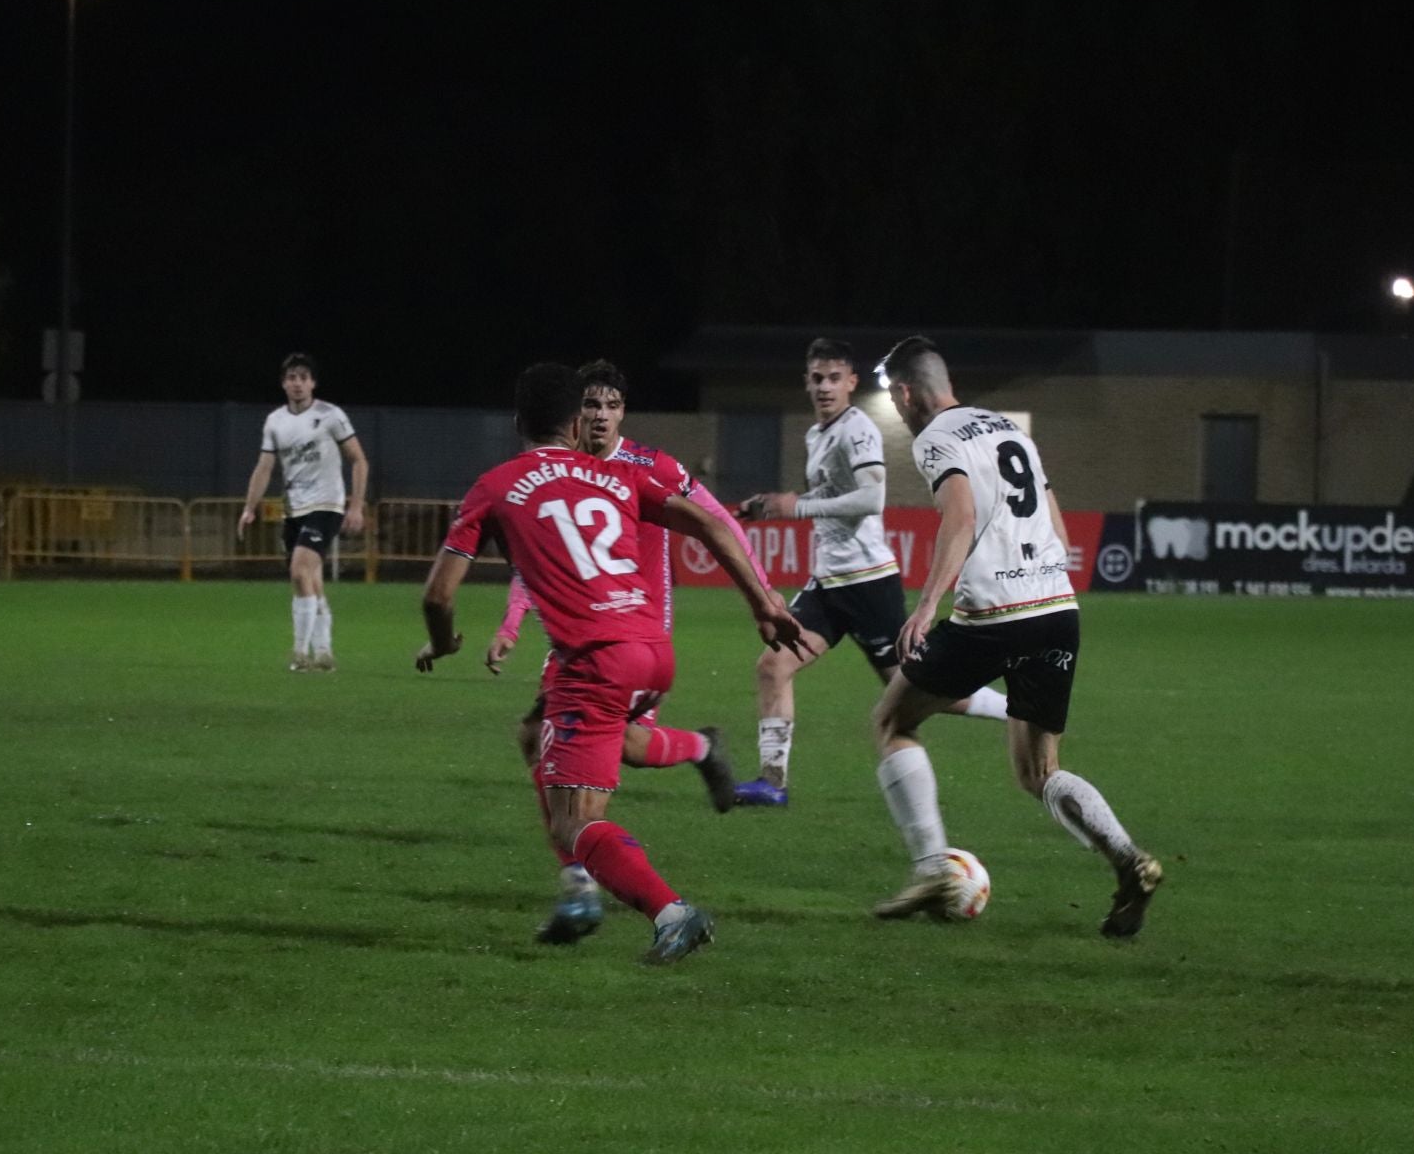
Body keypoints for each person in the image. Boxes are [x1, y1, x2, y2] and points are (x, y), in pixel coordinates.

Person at [416, 363, 802, 965]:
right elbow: (707, 521)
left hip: (596, 660)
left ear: (518, 422)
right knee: (559, 741)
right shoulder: (616, 477)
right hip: (654, 650)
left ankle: (661, 910)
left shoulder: (494, 486)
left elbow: (438, 596)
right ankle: (695, 756)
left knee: (576, 825)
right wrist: (763, 601)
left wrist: (441, 644)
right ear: (575, 421)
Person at [869, 335, 1162, 938]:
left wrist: (927, 606)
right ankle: (1128, 858)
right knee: (1039, 770)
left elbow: (961, 514)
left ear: (904, 392)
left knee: (893, 721)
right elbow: (1052, 515)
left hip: (994, 613)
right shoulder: (1007, 428)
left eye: (894, 398)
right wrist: (1047, 577)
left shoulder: (936, 438)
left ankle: (932, 867)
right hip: (1055, 605)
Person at [487, 360, 775, 820]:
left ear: (623, 413)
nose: (601, 414)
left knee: (570, 750)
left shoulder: (651, 466)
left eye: (613, 405)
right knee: (608, 743)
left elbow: (717, 522)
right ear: (573, 414)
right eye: (591, 404)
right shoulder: (555, 472)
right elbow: (535, 561)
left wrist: (763, 591)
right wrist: (511, 623)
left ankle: (581, 871)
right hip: (581, 632)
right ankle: (702, 747)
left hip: (638, 634)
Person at [733, 337, 1008, 807]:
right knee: (773, 665)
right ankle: (772, 782)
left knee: (919, 689)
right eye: (817, 378)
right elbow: (826, 499)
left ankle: (1015, 707)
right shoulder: (816, 436)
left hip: (868, 584)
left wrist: (794, 506)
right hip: (829, 585)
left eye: (834, 378)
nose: (824, 387)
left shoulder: (858, 428)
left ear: (851, 383)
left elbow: (870, 499)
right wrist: (775, 505)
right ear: (807, 381)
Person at [237, 352, 369, 671]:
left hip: (327, 504)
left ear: (313, 383)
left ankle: (300, 654)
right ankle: (324, 653)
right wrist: (249, 508)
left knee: (298, 571)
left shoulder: (330, 415)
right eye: (292, 378)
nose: (298, 383)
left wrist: (355, 505)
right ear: (284, 383)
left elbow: (359, 460)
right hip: (294, 509)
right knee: (310, 578)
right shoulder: (275, 422)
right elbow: (265, 466)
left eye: (303, 377)